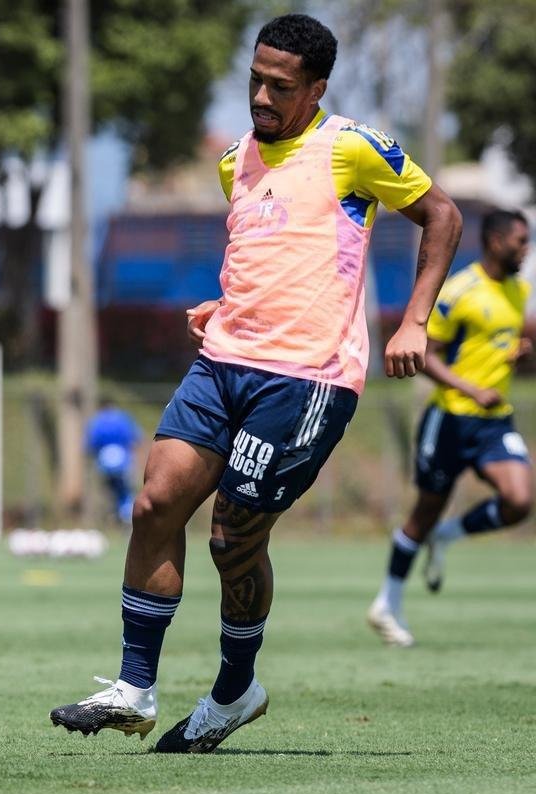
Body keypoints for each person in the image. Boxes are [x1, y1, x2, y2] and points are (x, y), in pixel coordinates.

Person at [50, 13, 462, 753]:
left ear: (315, 90)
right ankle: (133, 689)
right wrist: (223, 301)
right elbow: (267, 246)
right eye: (256, 80)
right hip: (224, 361)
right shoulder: (234, 159)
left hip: (306, 380)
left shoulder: (352, 148)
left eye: (281, 86)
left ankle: (235, 690)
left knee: (232, 539)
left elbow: (443, 216)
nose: (262, 97)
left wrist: (416, 320)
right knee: (154, 503)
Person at [368, 208, 532, 647]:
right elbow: (426, 354)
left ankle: (447, 537)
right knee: (423, 513)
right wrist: (470, 388)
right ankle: (388, 603)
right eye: (521, 241)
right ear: (496, 242)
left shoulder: (519, 290)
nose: (526, 249)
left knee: (520, 500)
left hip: (495, 421)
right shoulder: (459, 291)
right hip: (451, 418)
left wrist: (513, 354)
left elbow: (485, 346)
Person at [85, 398, 142, 525]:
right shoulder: (123, 418)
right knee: (125, 490)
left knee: (109, 491)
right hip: (123, 460)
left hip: (104, 461)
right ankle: (126, 515)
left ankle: (112, 515)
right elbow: (136, 438)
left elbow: (90, 445)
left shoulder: (97, 421)